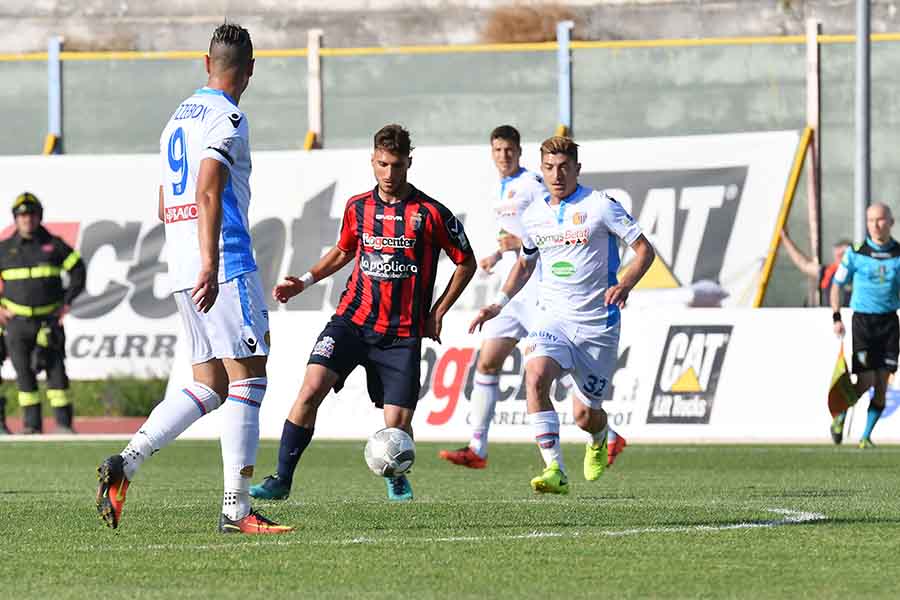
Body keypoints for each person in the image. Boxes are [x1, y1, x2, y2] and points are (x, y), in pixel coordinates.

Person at [94, 23, 292, 534]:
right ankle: (237, 508)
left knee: (210, 384)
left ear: (207, 64)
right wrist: (210, 260)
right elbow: (207, 188)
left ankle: (127, 463)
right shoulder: (229, 117)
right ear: (249, 70)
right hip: (220, 261)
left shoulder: (177, 119)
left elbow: (167, 201)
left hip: (181, 260)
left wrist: (193, 258)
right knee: (250, 377)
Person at [250, 124, 476, 502]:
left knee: (397, 425)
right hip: (351, 322)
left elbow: (466, 262)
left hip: (401, 333)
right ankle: (281, 479)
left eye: (398, 166)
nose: (389, 175)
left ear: (409, 163)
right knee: (310, 388)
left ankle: (396, 473)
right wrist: (303, 281)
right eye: (383, 165)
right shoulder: (358, 207)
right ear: (372, 161)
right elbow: (343, 252)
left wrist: (437, 313)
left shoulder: (431, 213)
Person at [469, 136, 654, 494]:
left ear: (577, 169)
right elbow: (526, 262)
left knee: (585, 416)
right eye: (550, 168)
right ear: (542, 169)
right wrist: (500, 303)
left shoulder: (601, 206)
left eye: (565, 168)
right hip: (552, 317)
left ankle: (600, 436)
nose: (557, 175)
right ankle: (554, 468)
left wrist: (626, 283)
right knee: (535, 375)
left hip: (597, 324)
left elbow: (644, 251)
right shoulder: (534, 214)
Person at [438, 125, 626, 472]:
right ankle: (480, 447)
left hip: (545, 293)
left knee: (567, 382)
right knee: (493, 363)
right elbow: (526, 240)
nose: (503, 156)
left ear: (520, 152)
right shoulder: (501, 189)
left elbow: (547, 230)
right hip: (519, 292)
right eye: (497, 150)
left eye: (509, 150)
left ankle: (604, 431)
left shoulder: (533, 185)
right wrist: (499, 258)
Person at [0, 192, 85, 434]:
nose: (27, 219)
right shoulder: (4, 249)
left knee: (57, 373)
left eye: (32, 214)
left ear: (39, 217)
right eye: (22, 215)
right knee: (23, 375)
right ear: (16, 219)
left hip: (49, 322)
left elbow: (79, 270)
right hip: (17, 323)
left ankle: (64, 425)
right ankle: (31, 426)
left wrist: (67, 302)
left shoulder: (54, 245)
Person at [830, 203, 900, 448]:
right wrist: (836, 317)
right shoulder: (856, 253)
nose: (875, 225)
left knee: (882, 386)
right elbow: (836, 285)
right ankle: (840, 414)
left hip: (889, 324)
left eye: (880, 220)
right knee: (865, 381)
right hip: (863, 324)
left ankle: (865, 436)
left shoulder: (898, 254)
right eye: (871, 220)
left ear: (891, 222)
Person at [780, 228, 851, 306]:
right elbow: (803, 263)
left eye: (844, 254)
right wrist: (785, 238)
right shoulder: (827, 272)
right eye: (839, 255)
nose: (841, 259)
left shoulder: (859, 273)